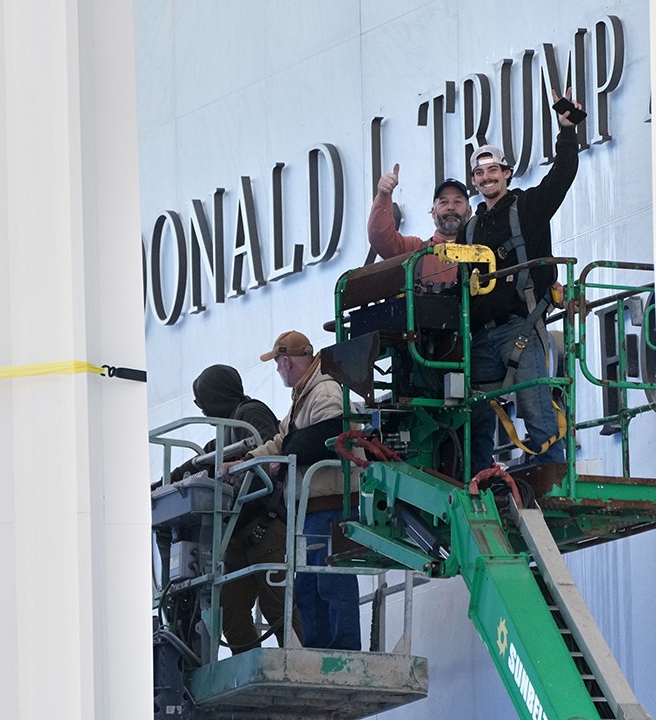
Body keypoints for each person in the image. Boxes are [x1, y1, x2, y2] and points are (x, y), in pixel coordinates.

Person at [460, 91, 583, 475]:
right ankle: (478, 475)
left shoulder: (528, 207)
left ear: (507, 173)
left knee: (535, 405)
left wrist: (567, 131)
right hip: (480, 335)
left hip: (521, 327)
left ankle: (552, 475)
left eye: (492, 170)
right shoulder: (470, 229)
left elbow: (562, 175)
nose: (486, 177)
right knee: (474, 412)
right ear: (474, 181)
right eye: (479, 173)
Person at [247, 330, 362, 651]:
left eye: (277, 363)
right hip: (314, 509)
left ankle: (344, 650)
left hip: (329, 506)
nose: (277, 369)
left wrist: (283, 458)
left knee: (331, 581)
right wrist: (249, 460)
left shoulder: (324, 390)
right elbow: (283, 441)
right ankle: (319, 652)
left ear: (286, 361)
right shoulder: (307, 393)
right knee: (311, 587)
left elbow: (333, 435)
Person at [179, 365, 300, 652]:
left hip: (266, 526)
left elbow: (271, 452)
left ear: (217, 395)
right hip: (237, 534)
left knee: (278, 609)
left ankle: (300, 661)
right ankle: (248, 664)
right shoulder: (229, 428)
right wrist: (165, 482)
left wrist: (244, 471)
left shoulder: (250, 414)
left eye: (202, 399)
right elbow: (201, 461)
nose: (201, 408)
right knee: (229, 608)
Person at [367, 165, 473, 289]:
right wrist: (383, 196)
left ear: (469, 211)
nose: (450, 207)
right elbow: (380, 237)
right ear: (433, 212)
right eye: (443, 202)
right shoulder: (414, 250)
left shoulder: (483, 251)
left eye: (457, 202)